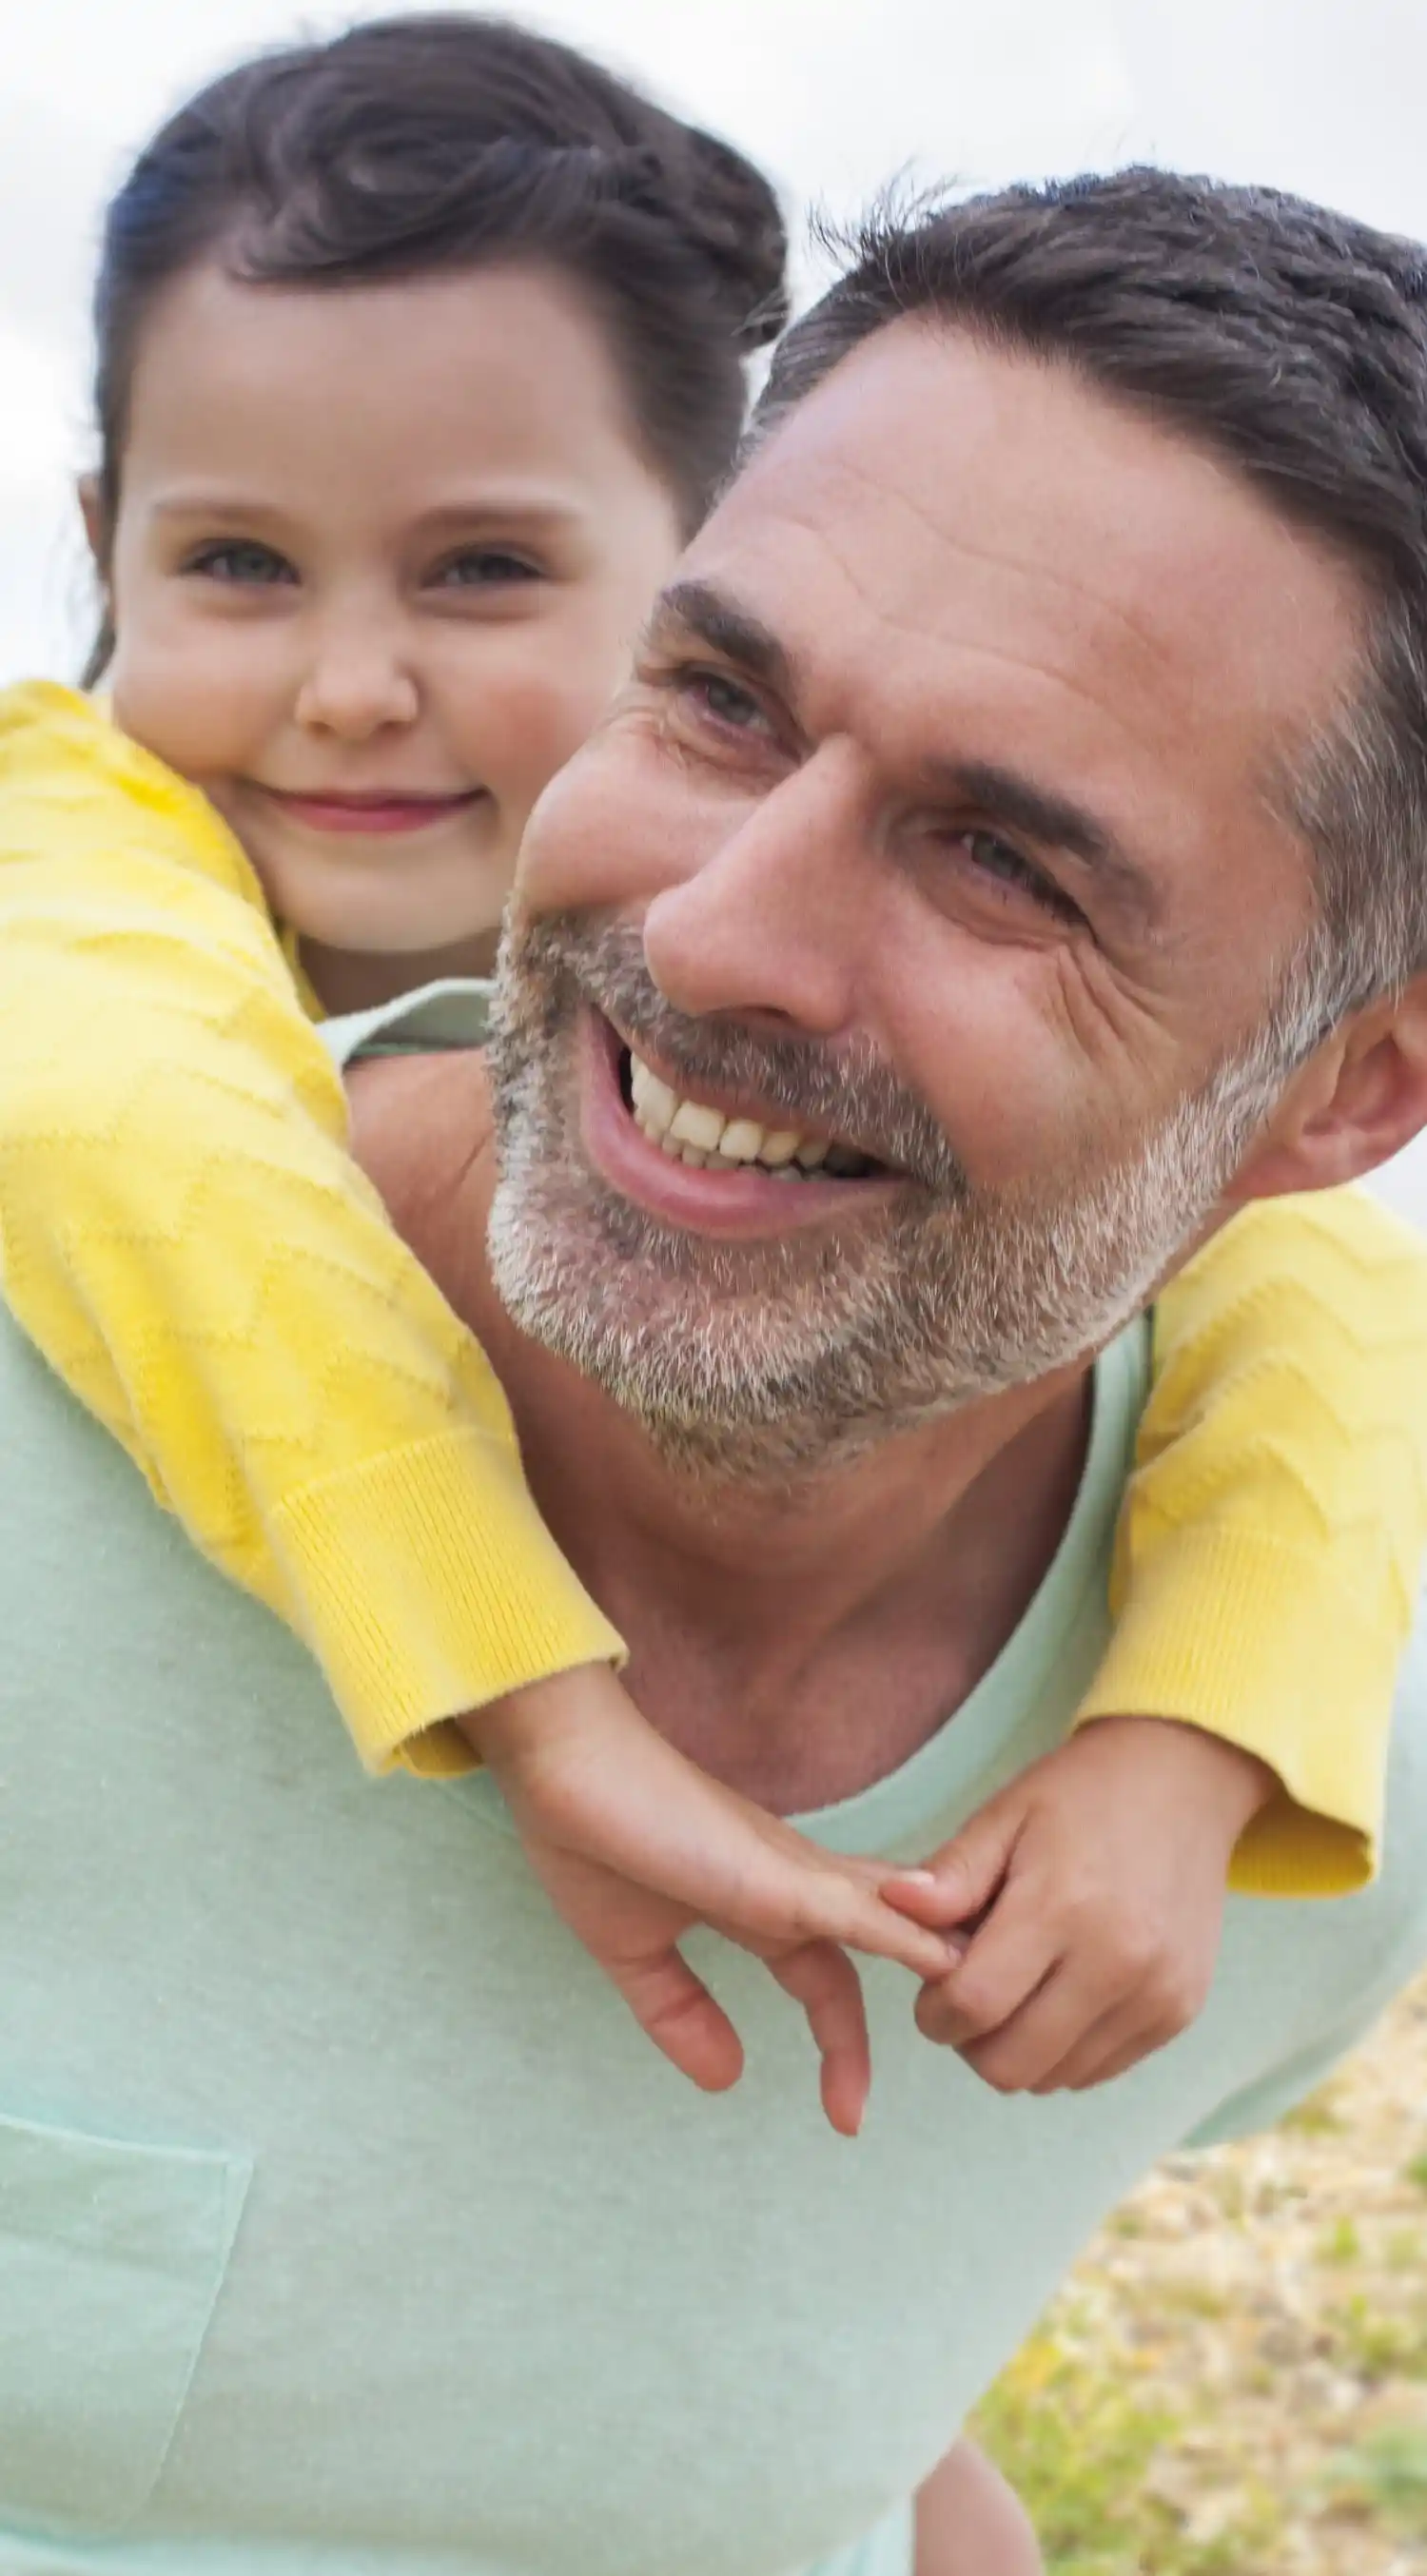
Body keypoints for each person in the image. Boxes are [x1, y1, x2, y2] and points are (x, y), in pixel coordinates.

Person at [9, 165, 1427, 2576]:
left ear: (1347, 1099)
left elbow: (786, 2402)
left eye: (1007, 859)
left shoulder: (1314, 1771)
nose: (714, 922)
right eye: (718, 698)